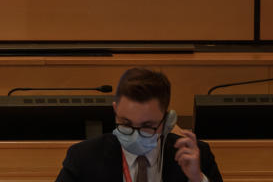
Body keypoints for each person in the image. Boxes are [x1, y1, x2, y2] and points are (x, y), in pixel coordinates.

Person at [55, 68, 223, 182]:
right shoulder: (84, 157)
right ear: (115, 110)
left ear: (167, 120)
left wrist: (196, 179)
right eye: (126, 123)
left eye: (147, 126)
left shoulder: (197, 157)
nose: (135, 135)